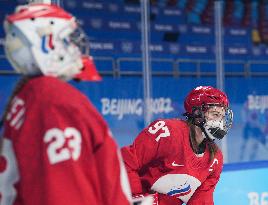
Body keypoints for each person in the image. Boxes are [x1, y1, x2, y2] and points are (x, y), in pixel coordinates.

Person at [0, 3, 132, 205]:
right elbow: (64, 195)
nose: (73, 47)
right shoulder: (55, 102)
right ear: (47, 44)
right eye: (66, 39)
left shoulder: (31, 96)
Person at [121, 86, 233, 205]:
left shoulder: (215, 158)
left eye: (221, 116)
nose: (220, 123)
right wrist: (137, 198)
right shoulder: (167, 132)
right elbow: (126, 161)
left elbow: (201, 201)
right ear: (197, 113)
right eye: (215, 115)